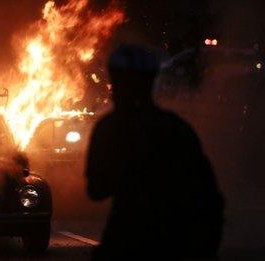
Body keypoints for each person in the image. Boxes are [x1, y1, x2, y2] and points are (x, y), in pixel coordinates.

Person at [86, 45, 224, 260]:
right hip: (174, 239)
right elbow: (209, 194)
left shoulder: (109, 128)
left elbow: (96, 190)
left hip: (127, 240)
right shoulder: (176, 127)